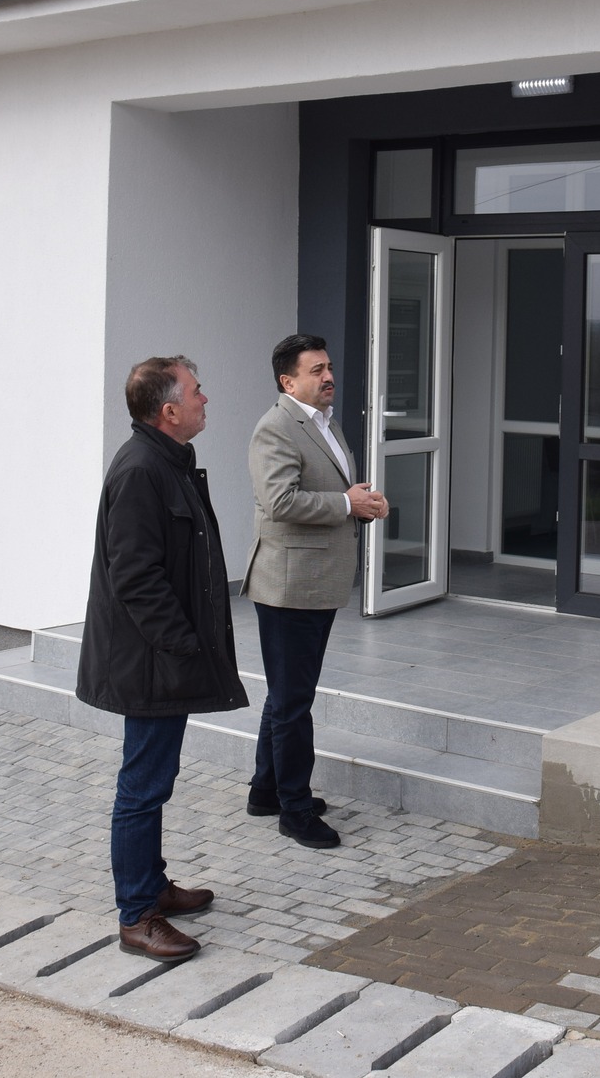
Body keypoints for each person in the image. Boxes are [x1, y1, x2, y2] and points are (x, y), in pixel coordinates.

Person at [76, 356, 249, 961]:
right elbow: (135, 577)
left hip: (161, 656)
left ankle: (152, 887)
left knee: (155, 778)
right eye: (197, 392)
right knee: (143, 786)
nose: (206, 399)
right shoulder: (141, 471)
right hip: (149, 660)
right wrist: (182, 643)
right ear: (169, 411)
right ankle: (137, 916)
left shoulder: (168, 462)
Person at [242, 334, 388, 850]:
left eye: (328, 367)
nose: (329, 377)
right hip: (288, 585)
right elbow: (280, 501)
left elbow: (328, 487)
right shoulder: (275, 427)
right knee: (293, 703)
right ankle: (295, 810)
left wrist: (361, 503)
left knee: (287, 694)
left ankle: (266, 792)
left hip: (313, 581)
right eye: (316, 370)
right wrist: (347, 505)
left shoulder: (325, 422)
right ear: (288, 382)